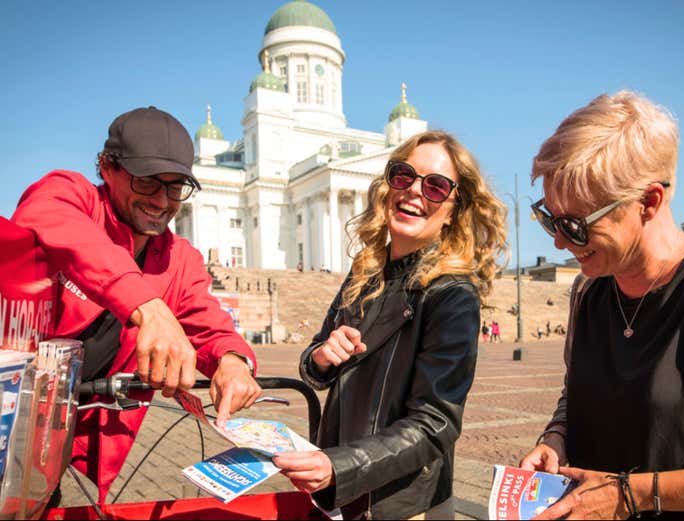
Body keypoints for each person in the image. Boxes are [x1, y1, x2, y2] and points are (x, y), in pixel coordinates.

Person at [518, 91, 684, 519]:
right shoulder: (588, 292)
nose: (560, 242)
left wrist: (628, 494)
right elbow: (578, 396)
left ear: (649, 202)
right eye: (548, 217)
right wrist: (556, 438)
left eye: (575, 225)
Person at [11, 106, 262, 502]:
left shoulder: (179, 258)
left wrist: (232, 360)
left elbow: (210, 324)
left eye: (176, 187)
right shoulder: (71, 196)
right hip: (11, 414)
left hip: (60, 440)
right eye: (147, 182)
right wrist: (149, 307)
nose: (162, 201)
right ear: (107, 168)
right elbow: (48, 218)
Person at [272, 131, 507, 519]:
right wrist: (324, 355)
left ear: (454, 208)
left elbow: (436, 421)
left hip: (399, 503)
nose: (414, 191)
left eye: (435, 186)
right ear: (387, 186)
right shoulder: (366, 270)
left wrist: (341, 467)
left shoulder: (451, 293)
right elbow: (312, 365)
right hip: (339, 491)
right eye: (403, 176)